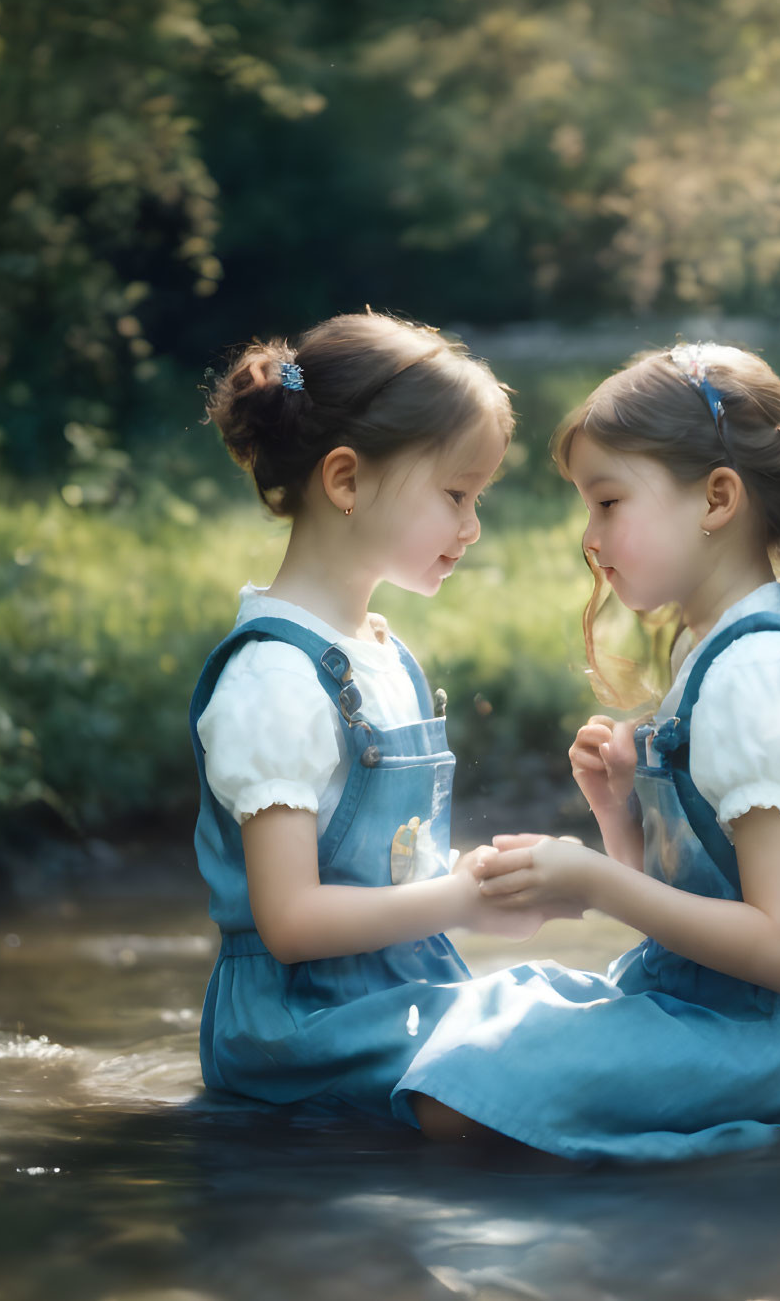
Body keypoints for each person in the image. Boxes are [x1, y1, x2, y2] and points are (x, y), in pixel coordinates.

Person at [395, 343, 780, 1160]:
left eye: (608, 502)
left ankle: (706, 1178)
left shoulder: (760, 673)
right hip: (708, 1004)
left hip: (768, 1037)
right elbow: (690, 905)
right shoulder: (711, 650)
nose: (589, 536)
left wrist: (597, 883)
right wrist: (618, 814)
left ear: (717, 498)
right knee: (478, 1022)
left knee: (453, 1096)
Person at [191, 311, 548, 1124]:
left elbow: (385, 870)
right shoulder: (274, 679)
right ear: (346, 481)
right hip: (304, 1030)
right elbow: (291, 921)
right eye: (456, 494)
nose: (473, 526)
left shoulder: (381, 654)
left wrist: (484, 880)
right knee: (549, 1082)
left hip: (402, 996)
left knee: (571, 1033)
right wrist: (461, 902)